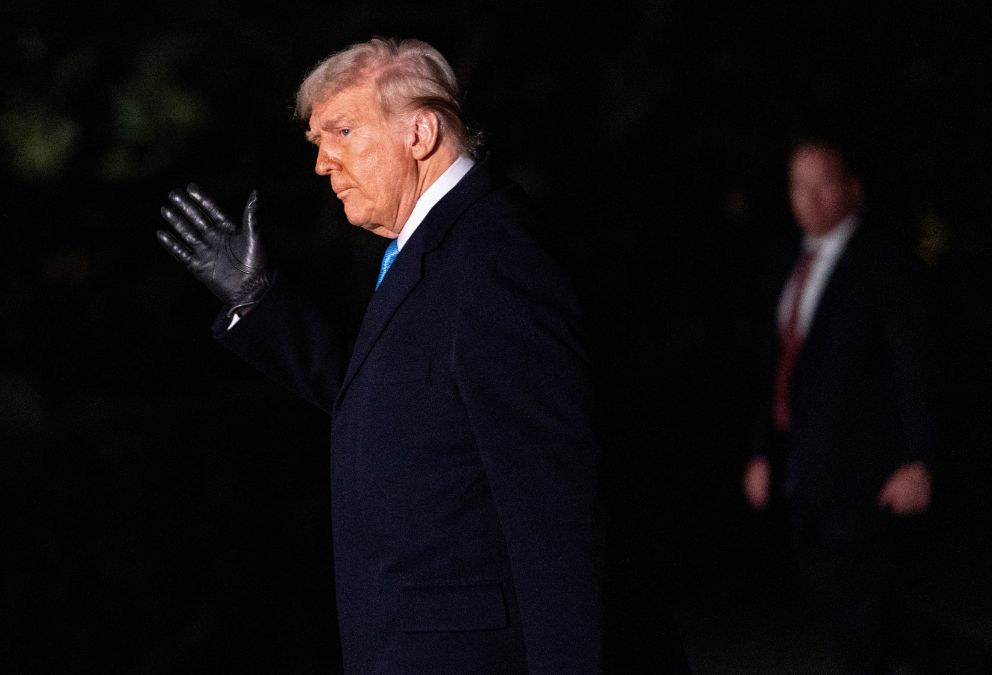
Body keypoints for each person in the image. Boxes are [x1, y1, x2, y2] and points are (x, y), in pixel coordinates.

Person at [156, 37, 687, 674]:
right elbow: (399, 413)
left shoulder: (494, 257)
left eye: (343, 131)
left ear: (420, 131)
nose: (324, 163)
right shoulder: (435, 249)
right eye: (318, 142)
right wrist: (260, 303)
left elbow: (557, 508)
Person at [743, 138, 936, 674]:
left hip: (865, 464)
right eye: (799, 186)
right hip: (801, 460)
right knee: (826, 583)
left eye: (823, 183)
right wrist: (761, 452)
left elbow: (913, 365)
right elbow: (776, 365)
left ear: (852, 188)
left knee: (859, 598)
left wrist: (918, 458)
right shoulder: (788, 264)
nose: (811, 198)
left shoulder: (883, 262)